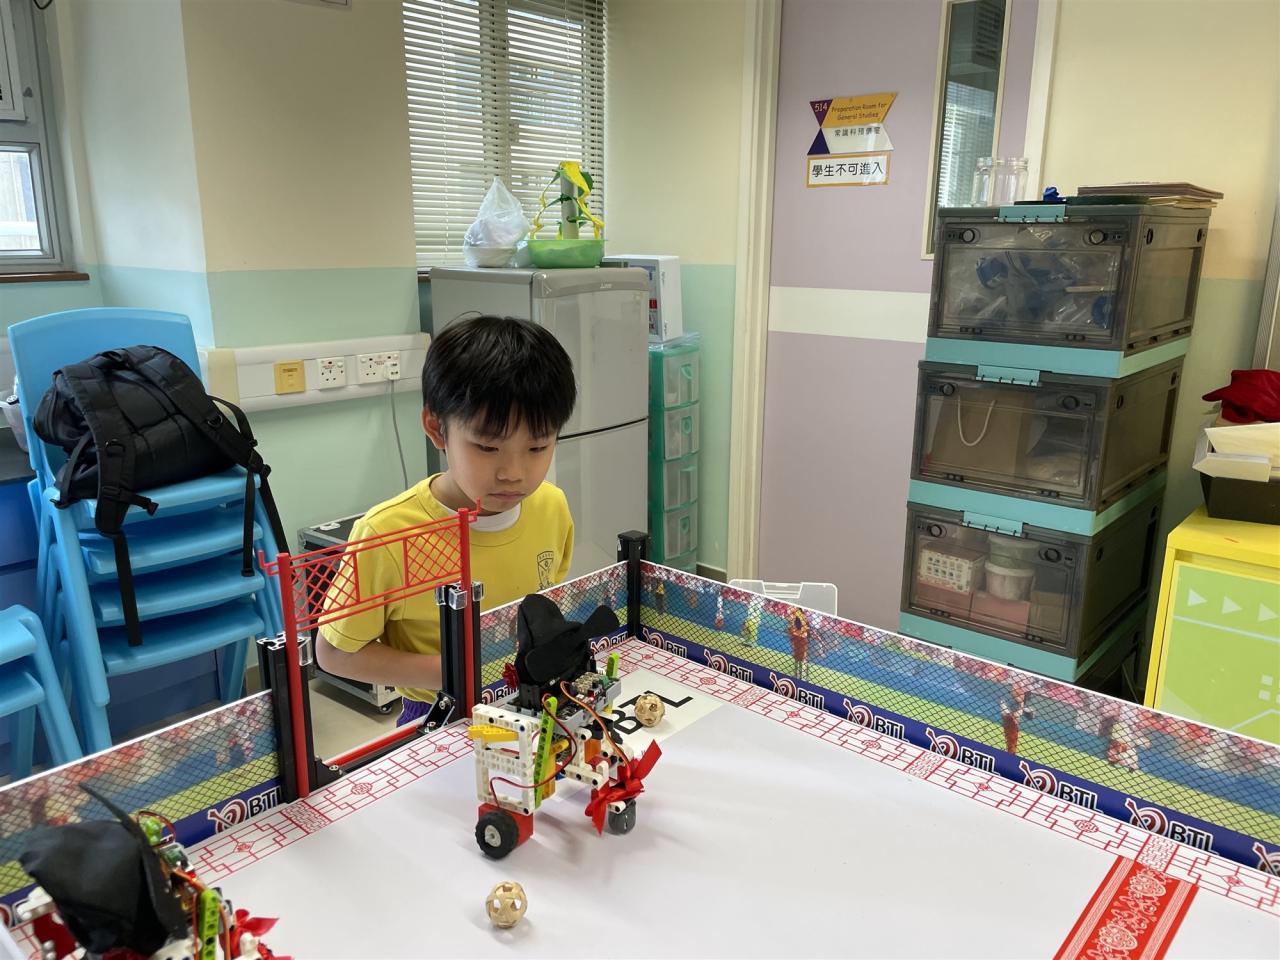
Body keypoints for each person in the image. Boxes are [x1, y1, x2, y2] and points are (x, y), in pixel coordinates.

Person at [316, 315, 577, 725]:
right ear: (437, 429)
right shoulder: (387, 533)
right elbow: (333, 653)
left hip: (531, 700)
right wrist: (452, 671)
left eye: (537, 447)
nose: (513, 473)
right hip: (440, 714)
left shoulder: (551, 506)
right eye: (487, 447)